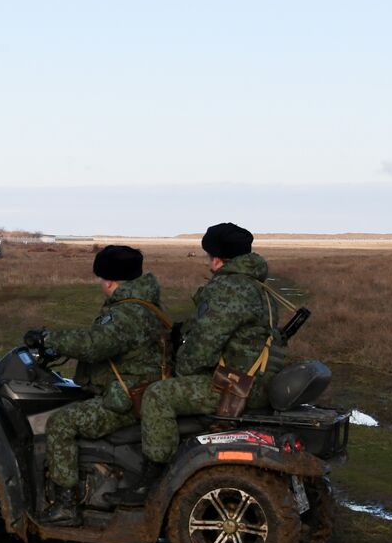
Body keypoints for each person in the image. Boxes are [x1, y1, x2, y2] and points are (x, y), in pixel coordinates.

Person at [26, 245, 170, 526]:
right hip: (140, 392)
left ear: (109, 280)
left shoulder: (126, 313)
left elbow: (94, 345)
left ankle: (65, 507)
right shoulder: (146, 305)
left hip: (127, 400)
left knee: (61, 424)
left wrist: (48, 339)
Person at [139, 222, 285, 467]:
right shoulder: (259, 286)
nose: (209, 263)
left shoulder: (228, 288)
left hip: (238, 387)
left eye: (209, 257)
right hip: (259, 380)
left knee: (157, 395)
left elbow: (202, 348)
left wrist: (178, 371)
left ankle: (156, 474)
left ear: (217, 258)